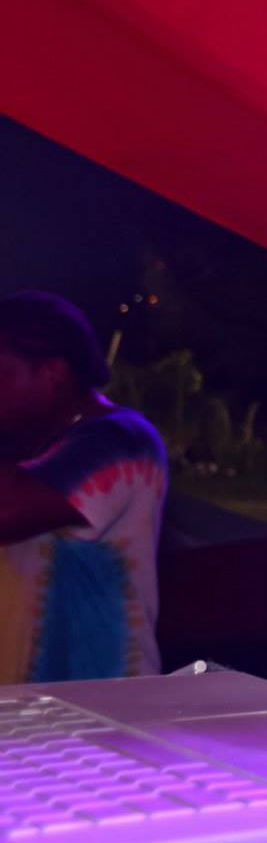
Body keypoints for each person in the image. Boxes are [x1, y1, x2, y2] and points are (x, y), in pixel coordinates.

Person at [0, 290, 168, 684]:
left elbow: (6, 512)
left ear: (52, 373)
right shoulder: (33, 440)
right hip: (33, 702)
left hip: (98, 701)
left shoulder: (119, 439)